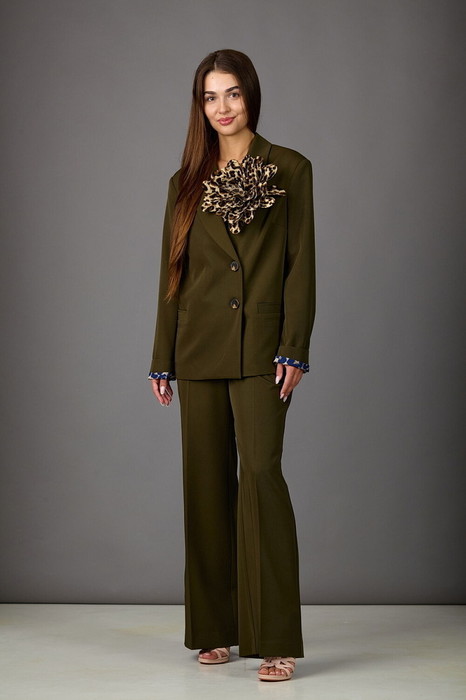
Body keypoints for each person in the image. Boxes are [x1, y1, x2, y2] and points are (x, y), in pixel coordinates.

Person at [148, 48, 315, 682]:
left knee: (262, 475)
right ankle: (215, 629)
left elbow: (301, 264)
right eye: (210, 97)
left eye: (233, 94)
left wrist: (294, 345)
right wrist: (161, 357)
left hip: (264, 348)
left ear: (252, 96)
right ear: (200, 106)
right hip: (198, 348)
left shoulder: (290, 168)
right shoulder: (184, 182)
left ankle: (275, 639)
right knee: (205, 484)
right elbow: (172, 276)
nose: (222, 108)